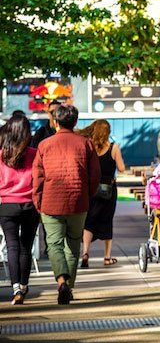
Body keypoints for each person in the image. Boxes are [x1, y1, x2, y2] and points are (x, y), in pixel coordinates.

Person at [31, 104, 99, 305]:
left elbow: (38, 177)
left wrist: (37, 199)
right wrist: (87, 194)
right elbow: (94, 176)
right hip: (78, 200)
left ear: (55, 121)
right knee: (73, 244)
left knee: (54, 244)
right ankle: (68, 286)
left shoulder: (44, 145)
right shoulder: (86, 144)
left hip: (51, 202)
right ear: (75, 122)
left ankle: (61, 281)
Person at [0, 116, 40, 305]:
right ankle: (23, 286)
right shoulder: (34, 153)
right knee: (26, 247)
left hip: (7, 205)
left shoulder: (1, 155)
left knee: (12, 246)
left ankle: (16, 286)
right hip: (31, 205)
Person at [77, 120, 126, 267]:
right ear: (108, 132)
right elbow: (122, 168)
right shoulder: (114, 147)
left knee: (89, 221)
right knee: (107, 220)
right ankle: (107, 257)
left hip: (91, 189)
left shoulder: (89, 147)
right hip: (108, 191)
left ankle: (85, 253)